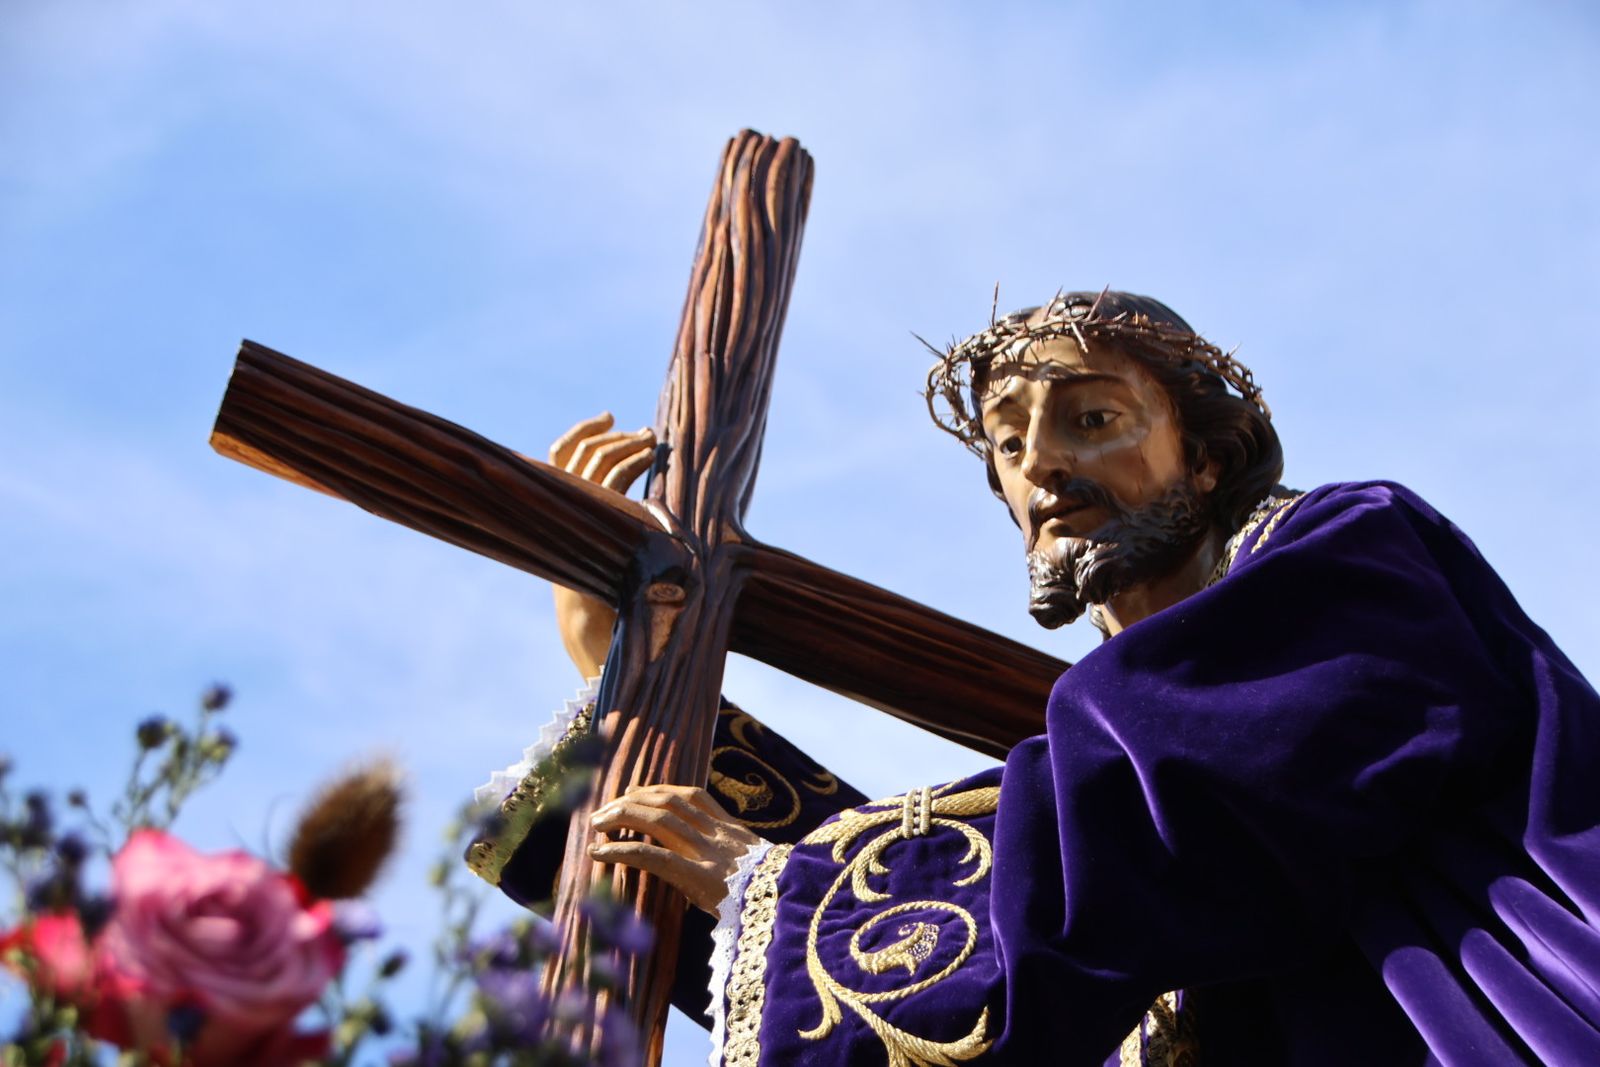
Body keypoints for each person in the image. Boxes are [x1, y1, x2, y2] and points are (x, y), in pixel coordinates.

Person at [476, 291, 1600, 1065]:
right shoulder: (1114, 785)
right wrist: (633, 676)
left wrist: (795, 895)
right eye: (1008, 443)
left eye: (1092, 418)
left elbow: (1157, 826)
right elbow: (1028, 966)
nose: (1041, 464)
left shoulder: (1353, 553)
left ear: (1204, 456)